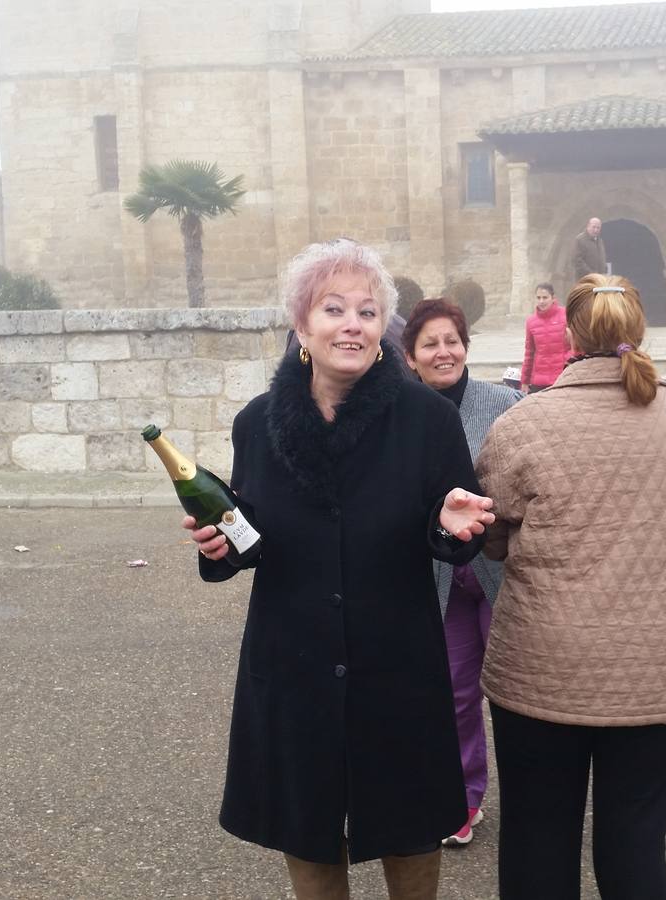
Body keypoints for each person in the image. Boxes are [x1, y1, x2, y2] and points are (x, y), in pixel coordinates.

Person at [184, 239, 497, 900]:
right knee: (307, 822)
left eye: (367, 310)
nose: (351, 323)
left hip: (397, 659)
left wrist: (452, 528)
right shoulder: (258, 424)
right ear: (303, 325)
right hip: (293, 659)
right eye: (334, 308)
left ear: (385, 327)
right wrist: (222, 547)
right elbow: (252, 536)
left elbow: (454, 529)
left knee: (409, 821)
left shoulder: (426, 420)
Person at [475, 274, 666, 900]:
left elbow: (493, 533)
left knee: (538, 837)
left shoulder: (524, 423)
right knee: (637, 839)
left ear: (568, 334)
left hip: (542, 672)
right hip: (657, 674)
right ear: (638, 331)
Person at [402, 297, 522, 847]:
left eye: (452, 341)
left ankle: (532, 798)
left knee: (518, 692)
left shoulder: (506, 403)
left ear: (466, 347)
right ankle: (464, 799)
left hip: (502, 575)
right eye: (430, 343)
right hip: (440, 581)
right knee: (453, 694)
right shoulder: (400, 414)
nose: (443, 352)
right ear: (410, 357)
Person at [520, 282, 569, 394]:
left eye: (545, 297)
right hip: (539, 381)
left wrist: (566, 361)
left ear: (553, 298)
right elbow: (529, 353)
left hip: (562, 378)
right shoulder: (531, 322)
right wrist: (525, 381)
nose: (541, 301)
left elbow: (575, 345)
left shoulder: (566, 315)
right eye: (538, 298)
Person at [571, 217, 607, 281]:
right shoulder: (580, 240)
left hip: (598, 281)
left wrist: (604, 273)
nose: (596, 230)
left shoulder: (600, 241)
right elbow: (577, 261)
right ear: (588, 226)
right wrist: (591, 274)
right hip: (584, 280)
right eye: (594, 227)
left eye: (598, 228)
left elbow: (602, 259)